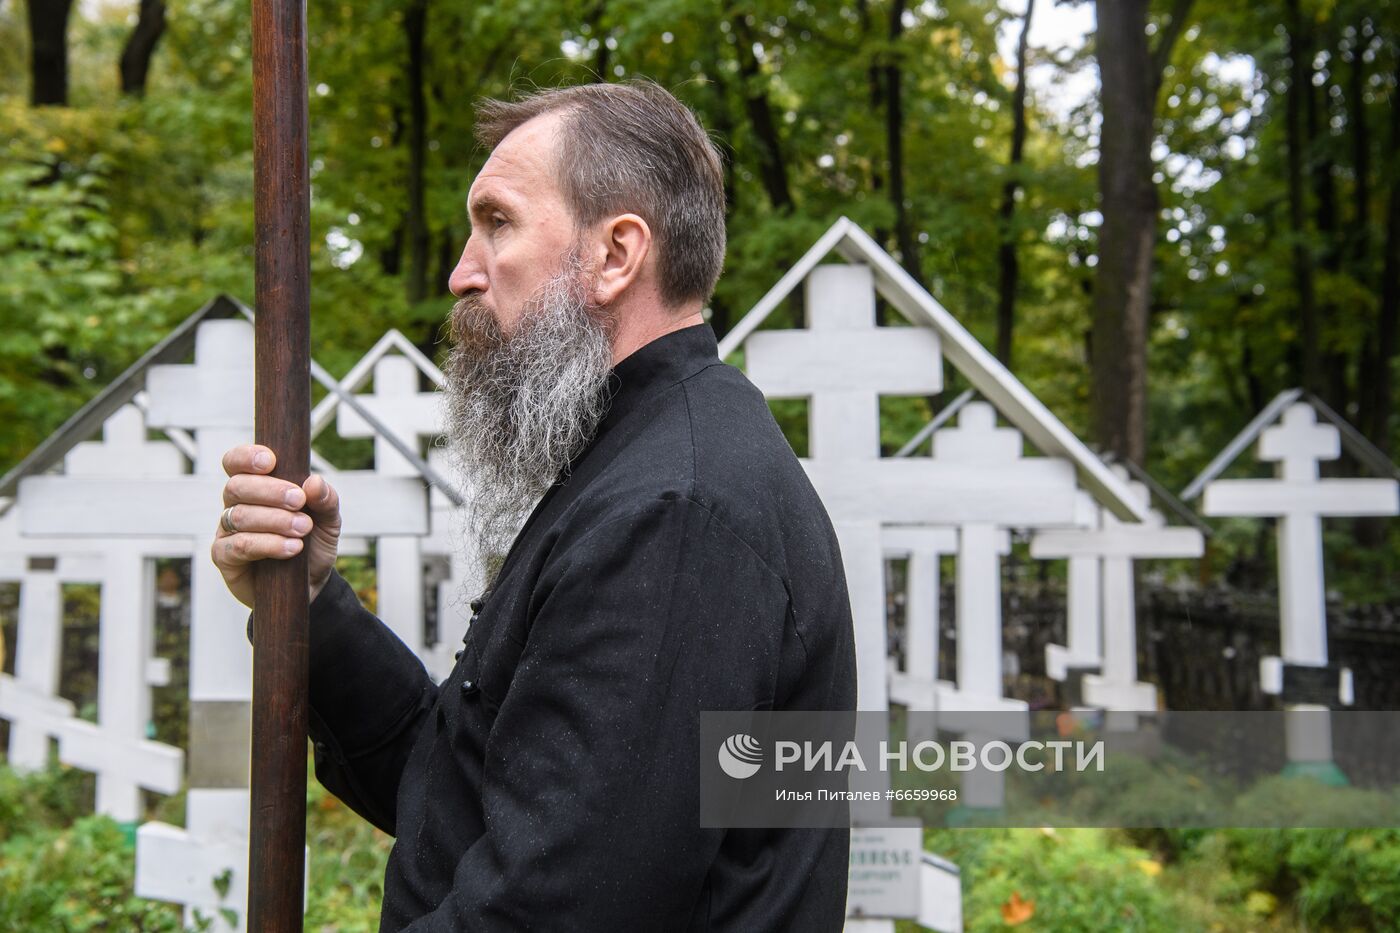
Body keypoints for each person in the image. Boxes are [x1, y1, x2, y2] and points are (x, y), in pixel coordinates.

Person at [212, 79, 857, 931]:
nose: (460, 273)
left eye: (499, 222)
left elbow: (552, 908)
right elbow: (463, 792)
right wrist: (311, 603)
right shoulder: (638, 463)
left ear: (616, 254)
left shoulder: (672, 508)